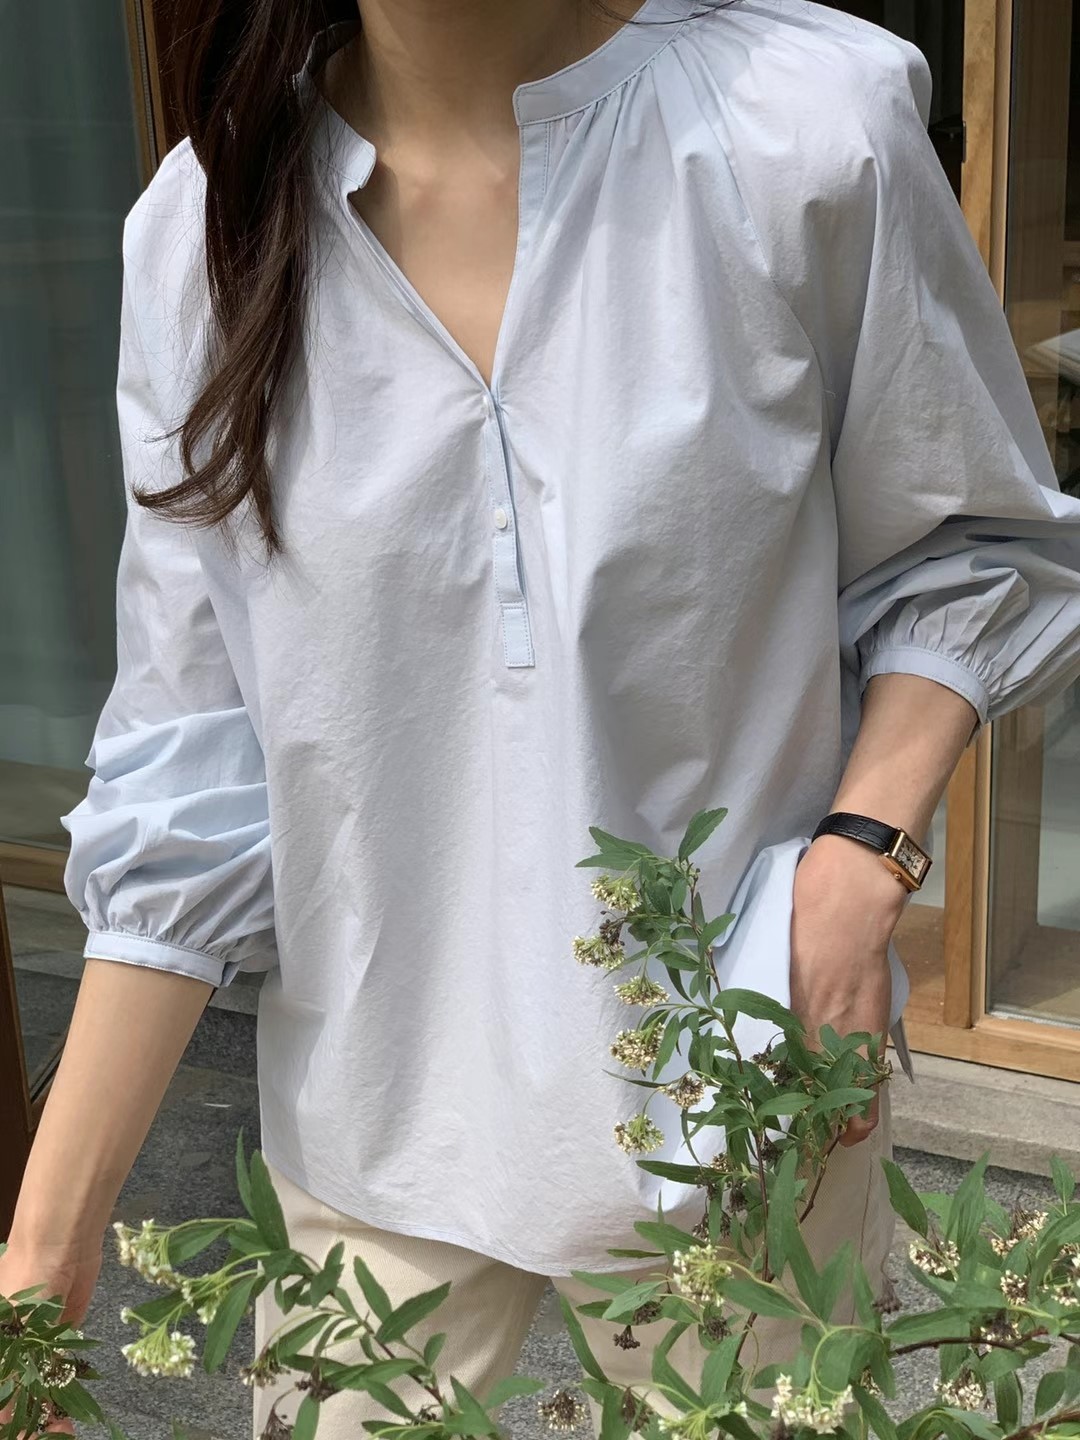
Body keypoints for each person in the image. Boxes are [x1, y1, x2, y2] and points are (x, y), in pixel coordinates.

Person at [4, 0, 1080, 1435]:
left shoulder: (798, 131)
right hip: (375, 1118)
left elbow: (965, 545)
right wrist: (45, 1244)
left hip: (742, 1086)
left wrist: (865, 854)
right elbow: (191, 770)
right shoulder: (213, 219)